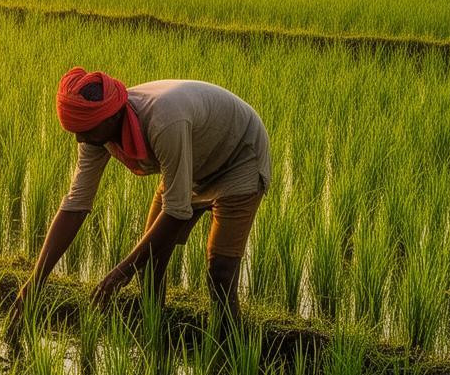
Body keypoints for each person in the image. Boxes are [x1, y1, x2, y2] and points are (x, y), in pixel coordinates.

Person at [17, 68, 270, 320]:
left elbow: (175, 212)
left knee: (221, 273)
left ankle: (231, 346)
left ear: (111, 118)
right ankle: (157, 332)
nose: (78, 138)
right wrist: (36, 281)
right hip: (192, 163)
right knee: (149, 265)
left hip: (238, 157)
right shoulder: (94, 134)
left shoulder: (164, 120)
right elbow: (75, 204)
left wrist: (119, 273)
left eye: (84, 130)